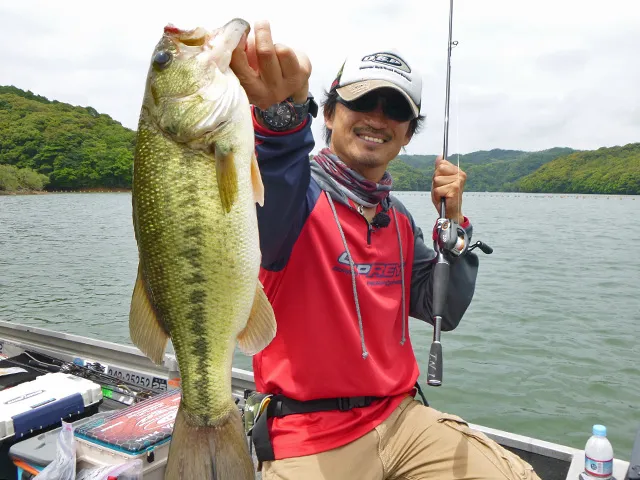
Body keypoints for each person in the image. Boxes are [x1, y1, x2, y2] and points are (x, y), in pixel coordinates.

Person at [230, 20, 540, 480]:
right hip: (308, 432)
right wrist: (280, 119)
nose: (377, 117)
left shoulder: (396, 218)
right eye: (360, 101)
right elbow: (272, 187)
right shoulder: (293, 197)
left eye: (395, 108)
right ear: (329, 114)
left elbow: (441, 308)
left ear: (409, 134)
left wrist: (453, 224)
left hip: (403, 419)